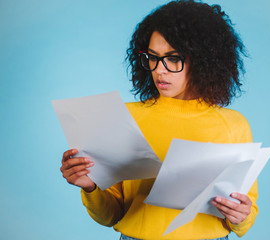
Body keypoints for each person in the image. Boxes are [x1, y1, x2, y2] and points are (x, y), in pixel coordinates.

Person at [60, 1, 258, 239]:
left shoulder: (234, 124)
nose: (159, 70)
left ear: (203, 60)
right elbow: (110, 216)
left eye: (173, 58)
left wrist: (241, 215)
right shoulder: (125, 117)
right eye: (153, 57)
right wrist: (90, 187)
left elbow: (245, 215)